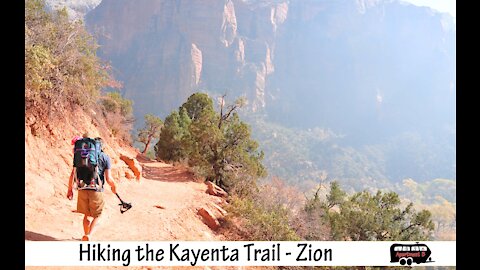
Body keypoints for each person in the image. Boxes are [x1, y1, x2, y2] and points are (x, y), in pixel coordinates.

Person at [67, 136, 117, 241]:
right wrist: (114, 187)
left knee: (86, 215)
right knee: (97, 214)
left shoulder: (82, 156)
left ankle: (85, 234)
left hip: (82, 188)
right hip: (96, 189)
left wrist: (70, 190)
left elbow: (73, 174)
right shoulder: (105, 157)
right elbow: (109, 178)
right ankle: (89, 235)